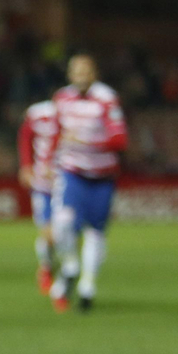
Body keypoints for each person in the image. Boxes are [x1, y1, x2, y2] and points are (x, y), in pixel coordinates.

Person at [48, 55, 127, 313]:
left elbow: (119, 140)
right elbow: (55, 134)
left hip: (102, 176)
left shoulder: (106, 99)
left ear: (94, 73)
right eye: (76, 71)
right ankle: (70, 266)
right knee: (62, 222)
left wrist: (87, 144)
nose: (81, 76)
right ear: (70, 74)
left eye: (86, 71)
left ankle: (87, 287)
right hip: (72, 172)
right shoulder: (61, 98)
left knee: (95, 232)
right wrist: (48, 164)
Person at [16, 99, 59, 294]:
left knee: (68, 233)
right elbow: (25, 136)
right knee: (48, 233)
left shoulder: (83, 114)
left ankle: (62, 267)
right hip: (43, 184)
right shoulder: (40, 112)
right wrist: (26, 166)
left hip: (70, 182)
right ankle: (46, 268)